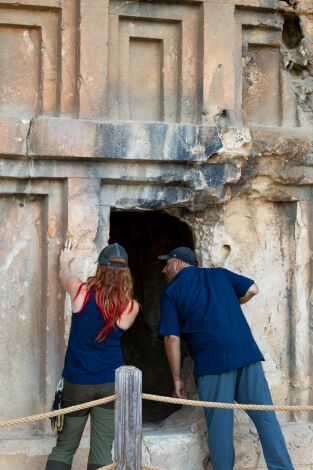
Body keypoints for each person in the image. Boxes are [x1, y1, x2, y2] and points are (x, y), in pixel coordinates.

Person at [157, 246, 294, 470]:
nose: (164, 269)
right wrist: (231, 302)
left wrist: (177, 380)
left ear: (179, 264)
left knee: (220, 430)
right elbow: (253, 289)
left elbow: (171, 338)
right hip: (247, 355)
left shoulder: (171, 292)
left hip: (213, 365)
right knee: (266, 419)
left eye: (167, 263)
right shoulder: (219, 274)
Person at [46, 241, 139, 470]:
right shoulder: (131, 307)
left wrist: (64, 261)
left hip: (77, 383)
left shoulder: (81, 292)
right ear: (126, 273)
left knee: (65, 447)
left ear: (100, 268)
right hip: (109, 383)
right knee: (102, 450)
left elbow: (63, 274)